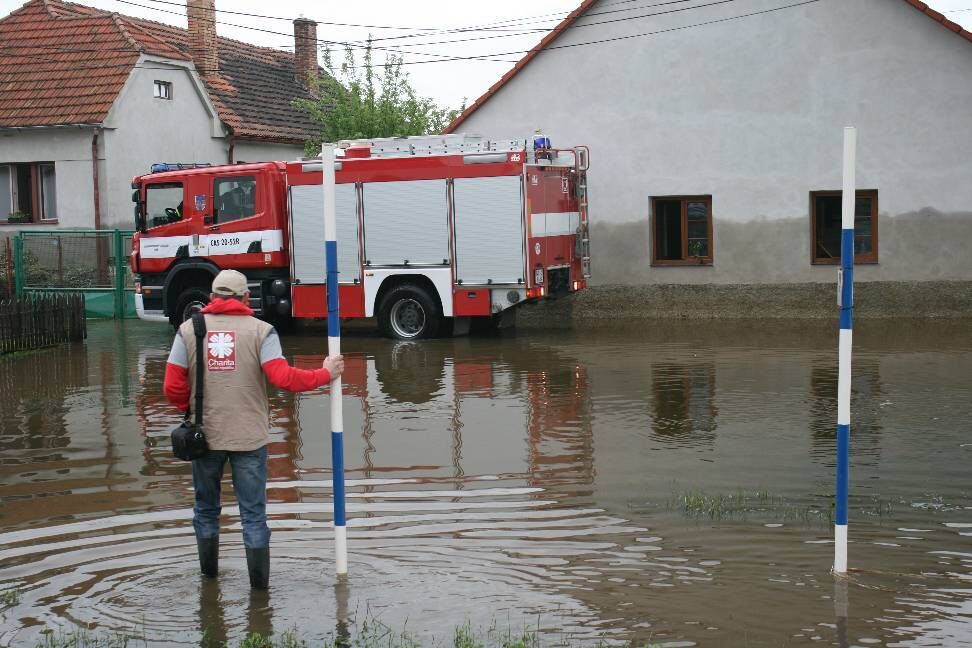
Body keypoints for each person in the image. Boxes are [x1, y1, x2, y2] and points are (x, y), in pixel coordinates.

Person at [163, 269, 344, 590]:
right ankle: (260, 595)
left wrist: (192, 412)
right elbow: (283, 378)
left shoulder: (188, 331)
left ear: (211, 298)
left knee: (206, 511)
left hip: (204, 439)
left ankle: (209, 582)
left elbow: (172, 387)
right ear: (247, 298)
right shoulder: (263, 331)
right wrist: (324, 373)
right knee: (253, 517)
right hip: (249, 440)